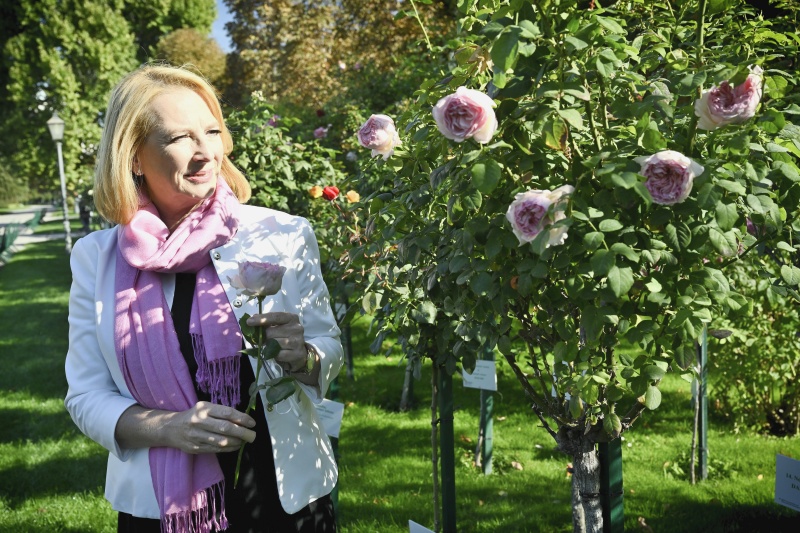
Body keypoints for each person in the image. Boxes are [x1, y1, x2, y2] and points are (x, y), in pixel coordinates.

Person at [64, 64, 343, 533]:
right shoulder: (97, 258)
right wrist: (168, 429)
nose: (205, 152)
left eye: (212, 132)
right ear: (134, 158)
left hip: (284, 497)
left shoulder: (282, 234)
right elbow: (86, 395)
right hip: (161, 505)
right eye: (180, 138)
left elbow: (328, 350)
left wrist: (303, 357)